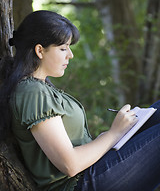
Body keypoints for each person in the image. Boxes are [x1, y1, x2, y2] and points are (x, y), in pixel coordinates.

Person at [0, 10, 160, 191]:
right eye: (63, 48)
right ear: (39, 50)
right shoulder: (32, 92)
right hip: (81, 184)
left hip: (93, 170)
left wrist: (107, 138)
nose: (70, 55)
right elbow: (70, 165)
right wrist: (114, 133)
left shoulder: (40, 88)